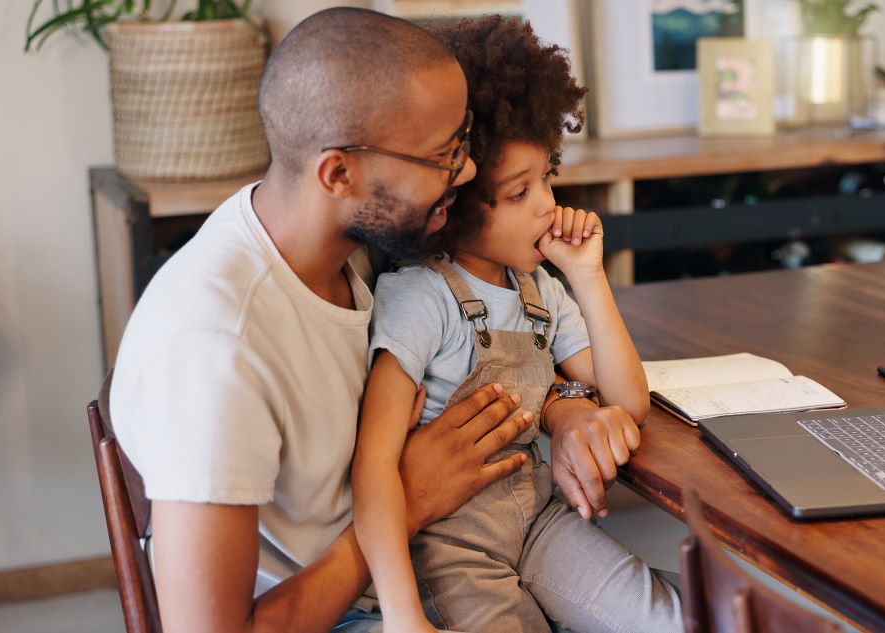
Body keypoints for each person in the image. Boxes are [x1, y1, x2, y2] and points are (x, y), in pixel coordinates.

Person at [109, 9, 617, 632]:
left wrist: (563, 402)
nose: (464, 173)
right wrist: (408, 500)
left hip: (433, 563)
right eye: (442, 155)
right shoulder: (216, 348)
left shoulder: (353, 241)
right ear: (338, 173)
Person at [352, 15, 682, 633]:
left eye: (547, 179)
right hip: (451, 551)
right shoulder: (418, 298)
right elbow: (373, 462)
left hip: (539, 524)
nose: (548, 206)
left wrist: (588, 276)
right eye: (518, 193)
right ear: (452, 208)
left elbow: (628, 399)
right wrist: (403, 615)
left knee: (672, 618)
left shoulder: (541, 290)